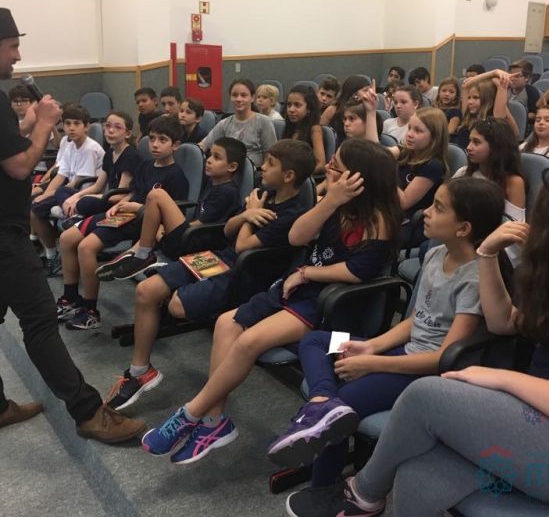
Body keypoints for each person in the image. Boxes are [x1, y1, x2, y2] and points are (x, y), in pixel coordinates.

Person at [335, 168, 549, 516]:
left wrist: (504, 379)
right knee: (415, 476)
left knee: (425, 394)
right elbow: (503, 323)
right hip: (543, 422)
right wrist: (486, 255)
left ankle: (363, 492)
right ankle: (366, 498)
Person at [140, 139, 405, 465]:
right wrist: (331, 201)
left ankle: (190, 413)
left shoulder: (379, 219)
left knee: (248, 340)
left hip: (330, 304)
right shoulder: (335, 205)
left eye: (336, 165)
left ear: (359, 178)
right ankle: (213, 421)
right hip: (297, 287)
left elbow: (356, 271)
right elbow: (297, 236)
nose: (328, 167)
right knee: (225, 323)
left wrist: (307, 273)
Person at [272, 178, 506, 517]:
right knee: (317, 340)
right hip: (397, 353)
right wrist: (372, 347)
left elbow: (444, 359)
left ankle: (322, 488)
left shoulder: (474, 277)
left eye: (438, 207)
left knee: (345, 403)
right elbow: (416, 320)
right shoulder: (436, 253)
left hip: (420, 372)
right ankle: (321, 400)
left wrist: (373, 364)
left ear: (463, 228)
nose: (425, 212)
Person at [0, 7, 145, 441]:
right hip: (4, 237)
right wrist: (45, 124)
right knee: (40, 321)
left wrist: (27, 125)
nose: (18, 55)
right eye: (12, 46)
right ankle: (89, 413)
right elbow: (19, 166)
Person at [105, 139, 315, 411]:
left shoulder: (291, 214)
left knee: (177, 306)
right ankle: (140, 371)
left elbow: (242, 246)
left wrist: (249, 214)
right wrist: (246, 216)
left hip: (244, 273)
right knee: (147, 290)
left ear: (288, 176)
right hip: (219, 258)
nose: (262, 167)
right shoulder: (263, 194)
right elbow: (228, 230)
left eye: (270, 164)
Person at [58, 115, 189, 330]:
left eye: (162, 140)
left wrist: (136, 207)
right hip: (123, 214)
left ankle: (90, 311)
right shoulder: (146, 165)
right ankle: (70, 299)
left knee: (85, 247)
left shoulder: (176, 175)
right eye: (152, 139)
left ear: (175, 145)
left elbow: (172, 213)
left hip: (141, 222)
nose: (155, 144)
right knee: (66, 238)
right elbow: (133, 192)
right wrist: (120, 204)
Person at [97, 137, 246, 280]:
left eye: (217, 157)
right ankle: (134, 254)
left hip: (197, 245)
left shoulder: (227, 192)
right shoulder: (213, 183)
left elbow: (200, 224)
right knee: (155, 219)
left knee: (157, 195)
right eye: (210, 155)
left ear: (232, 167)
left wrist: (167, 230)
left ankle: (140, 255)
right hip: (190, 238)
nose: (209, 160)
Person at [364, 85, 448, 248]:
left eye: (418, 131)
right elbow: (375, 152)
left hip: (409, 222)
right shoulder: (406, 150)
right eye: (409, 128)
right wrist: (370, 112)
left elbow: (404, 202)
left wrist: (385, 171)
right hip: (389, 212)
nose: (409, 134)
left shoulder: (433, 165)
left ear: (434, 137)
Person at [30, 103, 105, 276]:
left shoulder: (90, 148)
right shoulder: (70, 145)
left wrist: (52, 194)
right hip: (68, 191)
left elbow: (79, 182)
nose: (71, 128)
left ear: (86, 126)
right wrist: (46, 194)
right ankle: (51, 254)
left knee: (51, 198)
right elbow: (61, 175)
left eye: (76, 124)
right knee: (34, 208)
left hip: (85, 193)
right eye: (68, 124)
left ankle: (73, 221)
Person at [59, 110, 140, 227]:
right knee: (62, 191)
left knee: (84, 202)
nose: (111, 130)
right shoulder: (110, 153)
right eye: (108, 126)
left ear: (127, 134)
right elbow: (98, 186)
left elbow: (119, 195)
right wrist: (76, 196)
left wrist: (82, 198)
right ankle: (72, 212)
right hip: (107, 196)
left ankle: (72, 212)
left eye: (117, 127)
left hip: (114, 202)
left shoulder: (130, 155)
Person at [454, 119, 526, 224]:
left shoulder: (514, 182)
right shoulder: (463, 172)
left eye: (476, 142)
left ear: (496, 147)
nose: (469, 147)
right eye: (470, 141)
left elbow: (515, 225)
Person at [200, 79, 277, 167]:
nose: (238, 99)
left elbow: (270, 154)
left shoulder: (264, 122)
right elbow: (204, 145)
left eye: (243, 95)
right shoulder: (224, 123)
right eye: (234, 95)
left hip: (256, 172)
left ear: (252, 98)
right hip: (228, 171)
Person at [453, 69, 517, 148]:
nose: (470, 102)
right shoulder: (468, 116)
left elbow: (501, 87)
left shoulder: (494, 122)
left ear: (488, 100)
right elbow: (466, 85)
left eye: (475, 98)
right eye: (469, 97)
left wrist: (499, 85)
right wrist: (494, 72)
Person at [281, 85, 326, 173]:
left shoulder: (315, 130)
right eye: (289, 105)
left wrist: (298, 176)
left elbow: (320, 165)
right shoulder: (290, 128)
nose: (291, 110)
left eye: (297, 105)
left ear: (308, 108)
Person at [320, 75, 370, 144]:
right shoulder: (333, 110)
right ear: (354, 93)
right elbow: (319, 132)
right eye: (365, 90)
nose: (369, 93)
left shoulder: (369, 112)